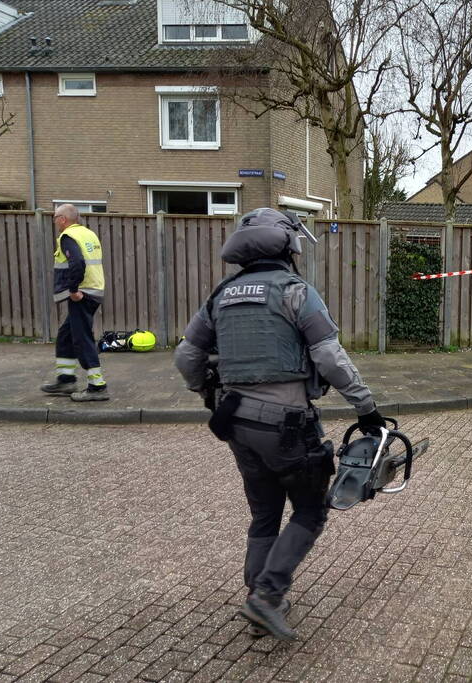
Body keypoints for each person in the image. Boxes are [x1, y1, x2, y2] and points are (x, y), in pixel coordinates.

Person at [174, 208, 385, 641]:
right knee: (310, 509)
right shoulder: (297, 292)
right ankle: (267, 597)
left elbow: (186, 358)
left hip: (236, 425)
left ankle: (258, 599)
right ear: (289, 247)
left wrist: (208, 394)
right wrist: (365, 408)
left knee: (265, 514)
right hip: (288, 427)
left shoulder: (221, 295)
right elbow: (329, 358)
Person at [40, 203, 109, 401]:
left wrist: (73, 290)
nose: (54, 221)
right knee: (66, 335)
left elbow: (77, 263)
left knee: (82, 338)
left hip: (82, 293)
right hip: (93, 290)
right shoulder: (88, 234)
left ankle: (98, 387)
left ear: (63, 219)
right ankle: (66, 380)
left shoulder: (68, 237)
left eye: (55, 217)